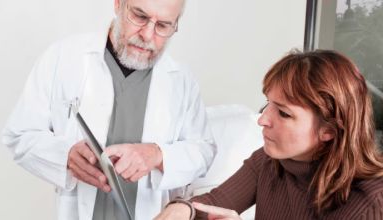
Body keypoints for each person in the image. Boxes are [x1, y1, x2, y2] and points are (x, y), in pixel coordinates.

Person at [1, 0, 216, 219]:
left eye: (163, 26)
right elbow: (19, 134)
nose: (148, 35)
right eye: (140, 17)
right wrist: (65, 156)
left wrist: (157, 155)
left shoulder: (181, 81)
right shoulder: (64, 58)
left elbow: (204, 151)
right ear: (118, 4)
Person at [155, 50, 383, 220]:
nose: (263, 119)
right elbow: (213, 203)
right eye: (268, 104)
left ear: (329, 130)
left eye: (284, 113)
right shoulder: (268, 161)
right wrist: (183, 208)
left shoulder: (371, 203)